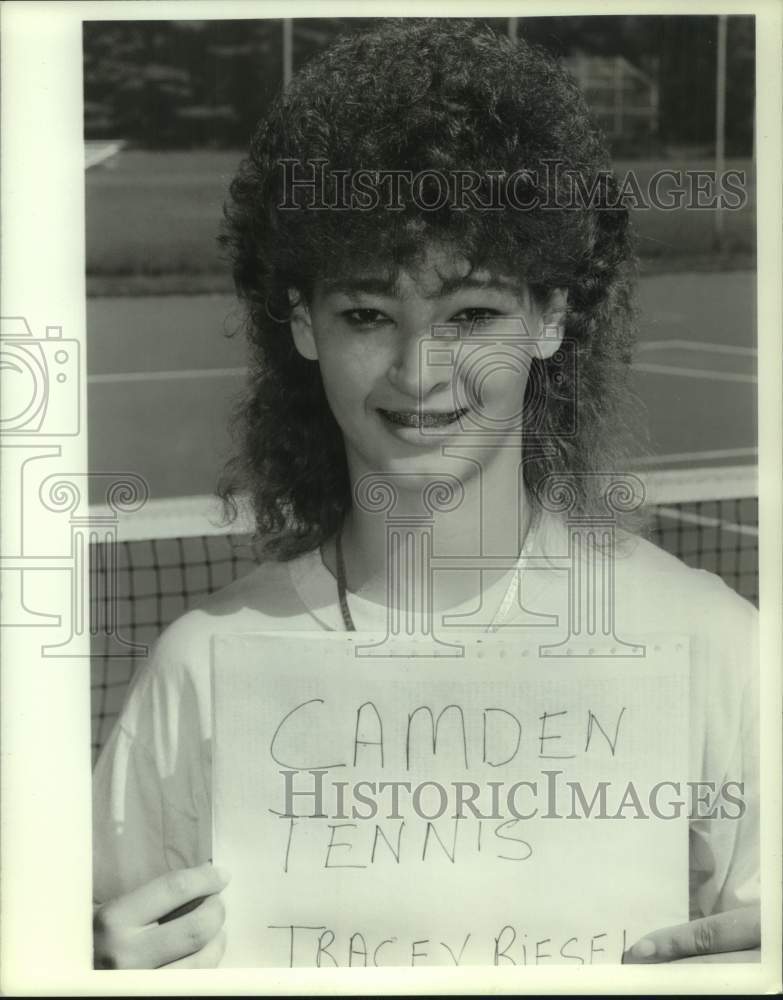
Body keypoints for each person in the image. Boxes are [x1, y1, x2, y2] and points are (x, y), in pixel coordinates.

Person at [92, 19, 759, 968]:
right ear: (303, 323)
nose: (419, 370)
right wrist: (80, 975)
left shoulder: (717, 646)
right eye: (368, 314)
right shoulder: (200, 673)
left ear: (551, 318)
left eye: (472, 312)